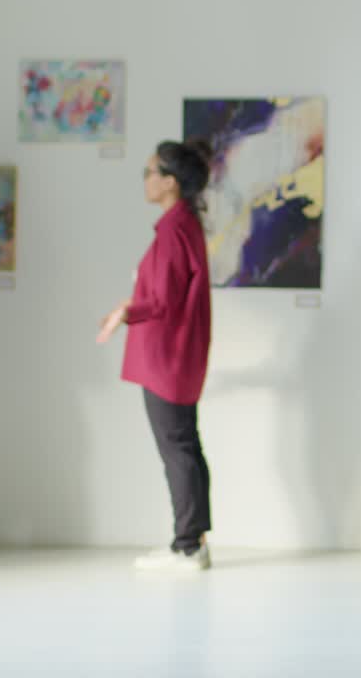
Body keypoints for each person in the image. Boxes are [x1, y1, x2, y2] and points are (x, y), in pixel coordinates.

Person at [98, 138, 214, 571]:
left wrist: (126, 311)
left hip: (167, 355)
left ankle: (187, 546)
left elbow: (163, 300)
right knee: (185, 446)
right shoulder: (184, 223)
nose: (145, 180)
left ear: (170, 182)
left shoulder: (172, 229)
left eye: (150, 172)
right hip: (178, 354)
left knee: (177, 449)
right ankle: (193, 540)